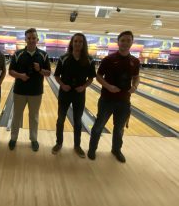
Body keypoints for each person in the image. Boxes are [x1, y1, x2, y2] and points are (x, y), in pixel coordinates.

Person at [88, 31, 140, 163]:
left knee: (119, 129)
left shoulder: (135, 61)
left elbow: (136, 77)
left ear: (131, 43)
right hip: (107, 100)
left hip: (124, 101)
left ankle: (116, 150)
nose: (125, 42)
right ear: (118, 42)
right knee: (98, 126)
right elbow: (98, 76)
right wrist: (108, 86)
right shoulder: (109, 59)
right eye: (123, 40)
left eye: (128, 40)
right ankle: (92, 149)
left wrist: (135, 86)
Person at [52, 33, 96, 157]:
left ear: (84, 44)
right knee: (60, 120)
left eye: (80, 42)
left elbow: (91, 78)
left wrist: (83, 87)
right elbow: (56, 76)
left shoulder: (89, 59)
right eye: (75, 41)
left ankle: (77, 146)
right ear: (72, 43)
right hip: (65, 93)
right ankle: (58, 143)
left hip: (79, 95)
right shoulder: (63, 58)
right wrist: (62, 85)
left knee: (77, 121)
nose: (77, 44)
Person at [8, 28, 51, 151]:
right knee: (16, 116)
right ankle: (13, 138)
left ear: (37, 39)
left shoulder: (44, 55)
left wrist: (39, 70)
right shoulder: (18, 54)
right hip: (20, 91)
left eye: (34, 38)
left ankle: (34, 139)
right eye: (29, 38)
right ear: (25, 39)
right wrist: (21, 76)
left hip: (36, 92)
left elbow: (48, 73)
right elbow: (11, 71)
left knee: (34, 117)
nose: (31, 40)